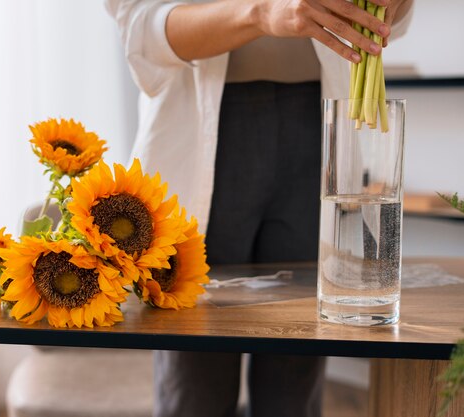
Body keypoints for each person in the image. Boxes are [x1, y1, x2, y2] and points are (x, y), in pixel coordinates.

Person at [105, 1, 414, 416]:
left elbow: (398, 17)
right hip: (204, 137)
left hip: (317, 126)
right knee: (195, 373)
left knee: (296, 370)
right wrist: (261, 13)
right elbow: (144, 31)